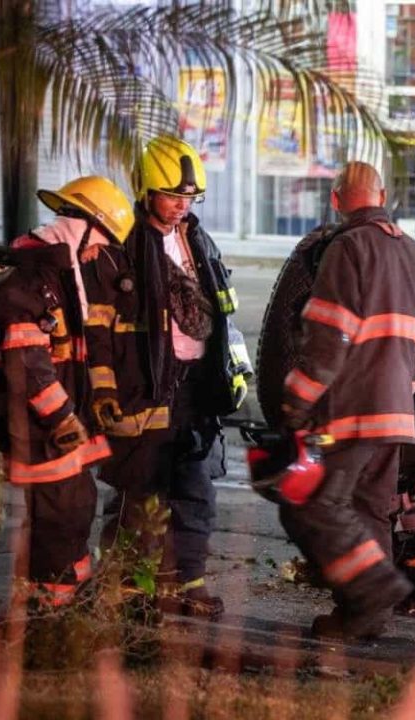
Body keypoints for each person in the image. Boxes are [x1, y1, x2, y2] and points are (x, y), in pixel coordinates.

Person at [278, 161, 415, 641]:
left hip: (351, 412)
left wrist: (295, 403)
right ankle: (366, 618)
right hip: (395, 415)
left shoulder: (347, 249)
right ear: (383, 195)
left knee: (313, 505)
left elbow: (328, 341)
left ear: (336, 200)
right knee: (371, 510)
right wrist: (399, 391)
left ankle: (369, 593)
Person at [0, 176, 133, 607]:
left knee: (74, 502)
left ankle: (58, 594)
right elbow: (28, 365)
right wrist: (62, 418)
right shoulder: (32, 280)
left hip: (45, 418)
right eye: (102, 243)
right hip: (33, 422)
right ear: (85, 226)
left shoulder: (51, 272)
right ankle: (51, 607)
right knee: (62, 509)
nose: (99, 254)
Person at [97, 136, 250, 619]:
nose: (181, 206)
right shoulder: (124, 244)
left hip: (196, 385)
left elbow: (221, 311)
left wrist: (234, 370)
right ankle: (128, 590)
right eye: (172, 196)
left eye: (189, 198)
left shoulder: (198, 240)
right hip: (147, 386)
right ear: (145, 190)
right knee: (140, 490)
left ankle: (187, 583)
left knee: (195, 490)